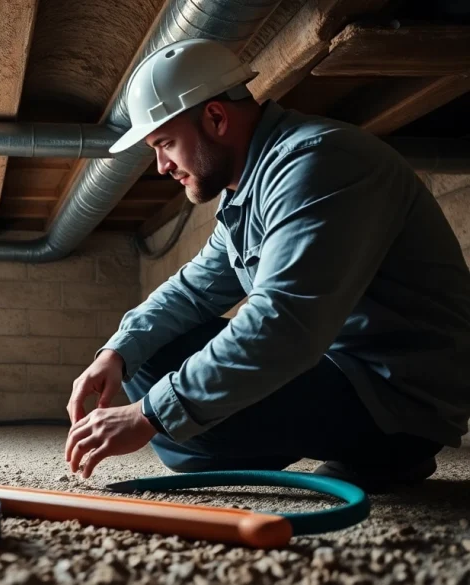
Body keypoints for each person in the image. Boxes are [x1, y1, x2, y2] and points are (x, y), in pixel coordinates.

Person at [64, 38, 470, 493]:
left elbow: (283, 322)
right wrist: (115, 353)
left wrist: (149, 414)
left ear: (216, 118)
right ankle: (308, 445)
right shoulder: (248, 190)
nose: (162, 166)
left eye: (166, 144)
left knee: (177, 424)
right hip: (329, 368)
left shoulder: (318, 162)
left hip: (392, 396)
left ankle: (385, 456)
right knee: (148, 362)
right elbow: (192, 291)